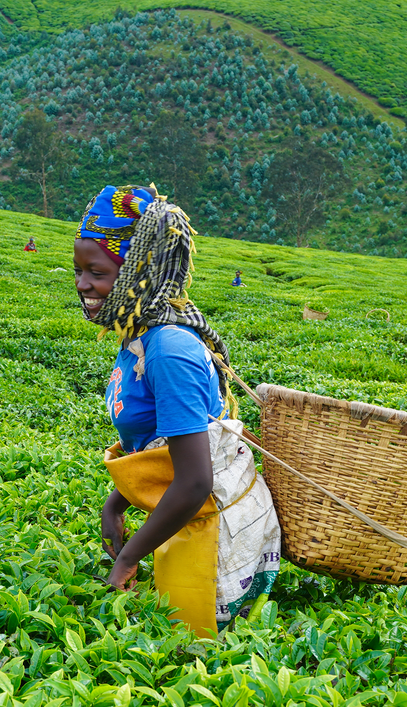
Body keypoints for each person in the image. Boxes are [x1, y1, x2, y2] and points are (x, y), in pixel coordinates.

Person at [76, 184, 281, 639]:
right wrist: (117, 502)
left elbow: (194, 481)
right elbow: (159, 441)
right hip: (183, 520)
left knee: (190, 647)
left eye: (96, 272)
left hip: (211, 534)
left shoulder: (168, 348)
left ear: (139, 271)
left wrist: (128, 559)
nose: (83, 285)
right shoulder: (138, 335)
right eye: (79, 270)